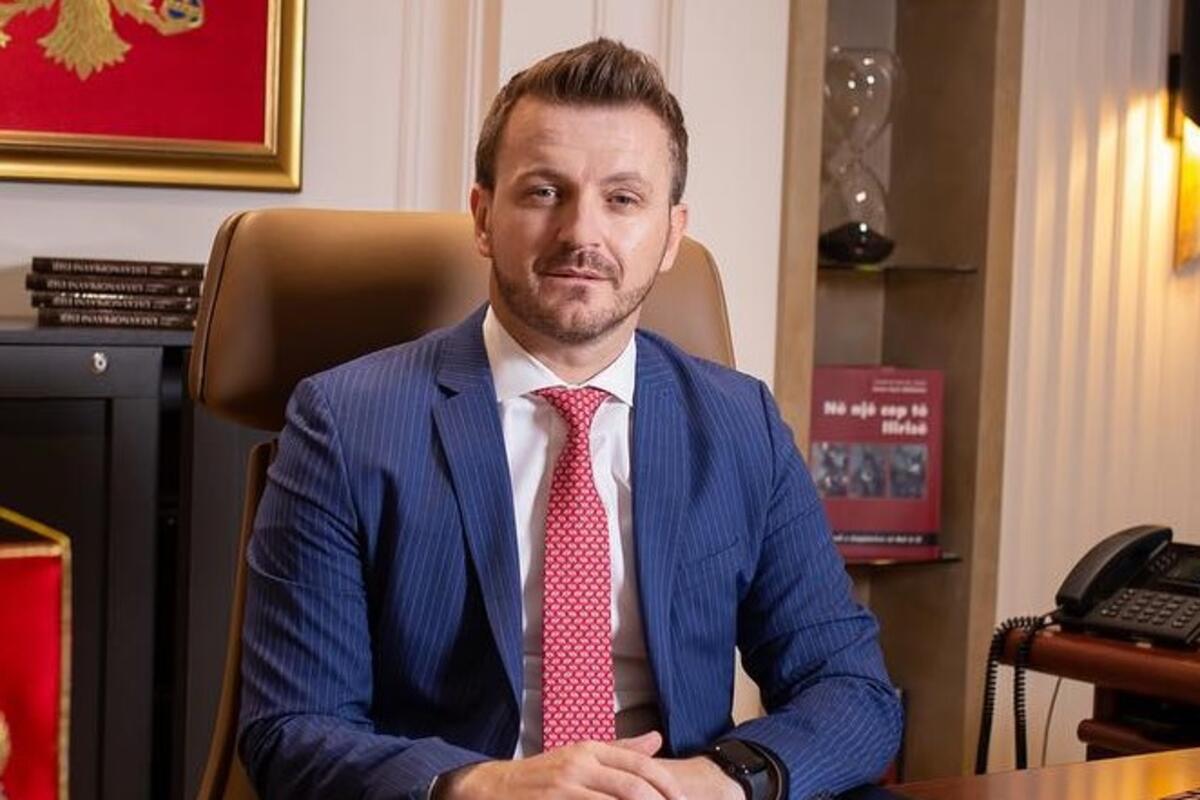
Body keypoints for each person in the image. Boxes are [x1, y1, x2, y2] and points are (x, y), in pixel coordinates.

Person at [238, 38, 903, 800]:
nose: (582, 234)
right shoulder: (346, 423)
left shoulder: (738, 424)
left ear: (671, 235)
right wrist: (483, 786)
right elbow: (290, 728)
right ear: (483, 217)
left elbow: (852, 691)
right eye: (544, 191)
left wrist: (721, 782)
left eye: (623, 199)